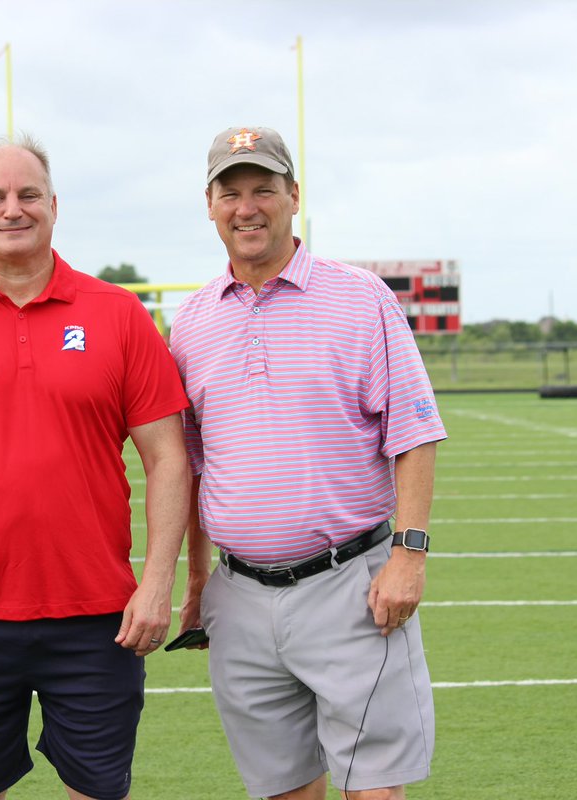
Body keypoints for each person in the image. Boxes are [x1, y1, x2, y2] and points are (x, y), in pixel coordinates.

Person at [0, 135, 190, 800]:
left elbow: (168, 457)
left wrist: (157, 581)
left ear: (54, 205)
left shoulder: (118, 315)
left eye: (27, 195)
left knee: (98, 791)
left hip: (99, 615)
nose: (10, 209)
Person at [168, 126, 448, 800]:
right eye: (230, 192)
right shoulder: (192, 321)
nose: (248, 207)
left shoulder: (362, 299)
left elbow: (412, 435)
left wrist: (408, 557)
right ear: (209, 205)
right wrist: (200, 581)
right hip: (239, 595)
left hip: (350, 586)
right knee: (282, 790)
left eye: (264, 188)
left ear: (294, 196)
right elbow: (197, 467)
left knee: (374, 789)